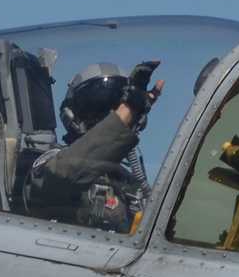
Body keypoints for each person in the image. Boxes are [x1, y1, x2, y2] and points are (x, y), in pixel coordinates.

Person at [22, 61, 165, 233]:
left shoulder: (131, 186)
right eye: (96, 107)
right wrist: (129, 109)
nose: (108, 118)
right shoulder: (49, 164)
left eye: (115, 109)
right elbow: (63, 173)